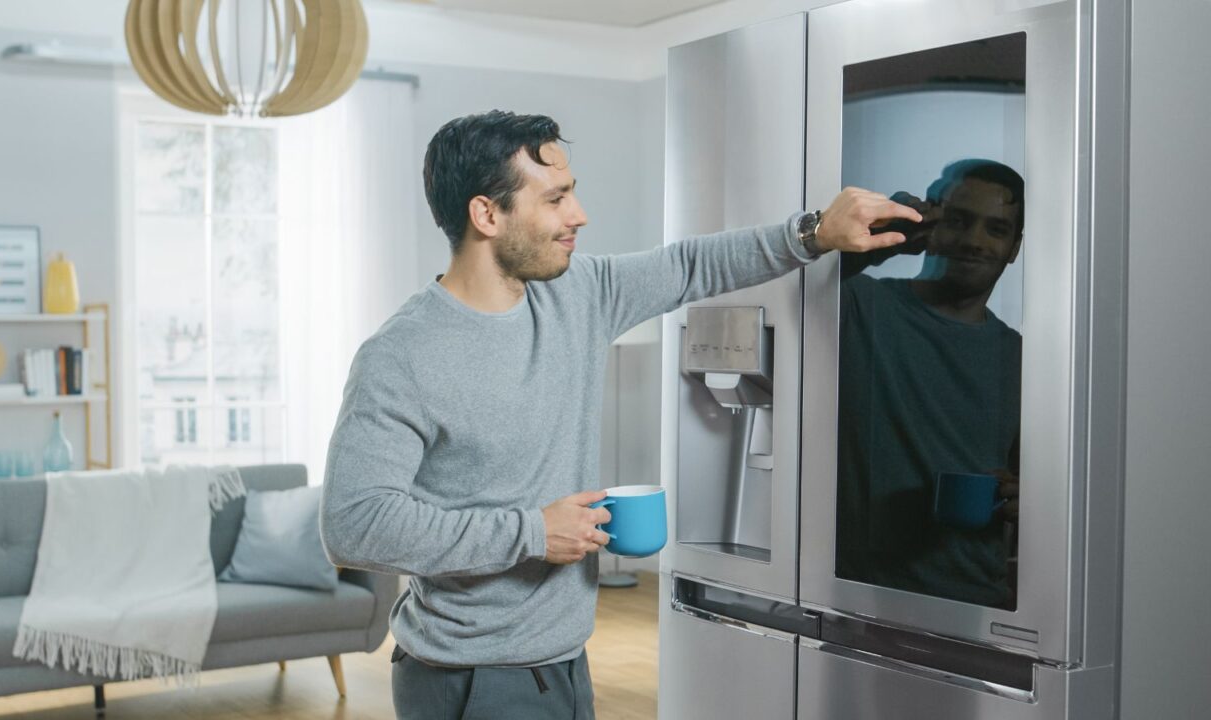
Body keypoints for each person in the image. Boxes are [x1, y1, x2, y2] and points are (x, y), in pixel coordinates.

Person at [320, 110, 920, 719]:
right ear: (487, 215)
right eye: (556, 199)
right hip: (471, 680)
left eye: (572, 193)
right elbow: (353, 524)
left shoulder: (577, 294)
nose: (578, 215)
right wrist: (530, 532)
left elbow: (689, 266)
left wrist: (816, 230)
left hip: (564, 664)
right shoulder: (403, 355)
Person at [834, 159, 1025, 609]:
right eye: (958, 221)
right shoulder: (861, 306)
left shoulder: (1024, 360)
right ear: (930, 222)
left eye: (996, 229)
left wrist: (1033, 500)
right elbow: (775, 291)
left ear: (1014, 247)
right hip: (860, 598)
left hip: (976, 602)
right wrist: (882, 240)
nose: (974, 241)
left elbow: (1039, 484)